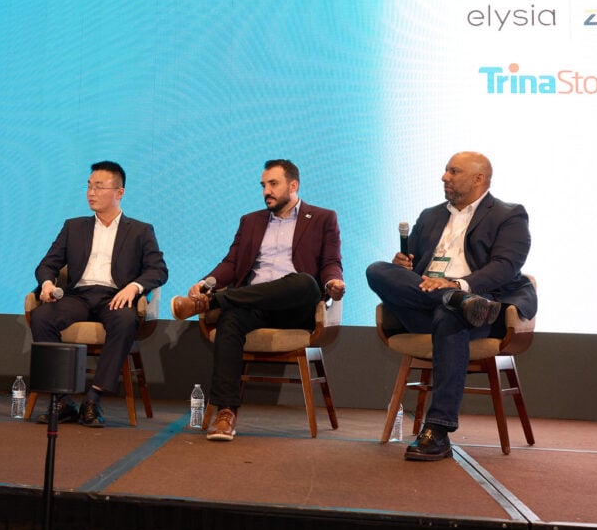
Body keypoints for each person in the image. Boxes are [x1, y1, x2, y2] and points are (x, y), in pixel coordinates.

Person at [365, 151, 537, 461]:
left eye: (453, 171)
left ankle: (438, 429)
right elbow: (410, 271)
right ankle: (453, 300)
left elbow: (505, 266)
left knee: (451, 315)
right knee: (377, 270)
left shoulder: (508, 215)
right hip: (425, 303)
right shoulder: (430, 215)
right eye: (445, 171)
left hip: (480, 308)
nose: (444, 177)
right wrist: (403, 266)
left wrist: (458, 285)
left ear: (478, 178)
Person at [171, 159, 345, 442]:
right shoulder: (250, 221)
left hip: (294, 305)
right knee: (230, 318)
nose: (267, 191)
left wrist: (333, 282)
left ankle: (215, 302)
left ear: (293, 185)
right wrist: (205, 284)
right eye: (263, 185)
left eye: (273, 184)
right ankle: (226, 412)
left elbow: (330, 261)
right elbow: (231, 262)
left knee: (304, 282)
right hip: (254, 303)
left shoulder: (323, 218)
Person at [29, 161, 168, 428]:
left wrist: (135, 287)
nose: (91, 192)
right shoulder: (73, 227)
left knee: (125, 320)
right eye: (89, 186)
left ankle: (94, 398)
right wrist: (47, 283)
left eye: (99, 187)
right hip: (78, 296)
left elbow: (158, 270)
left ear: (120, 192)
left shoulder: (140, 230)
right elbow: (47, 264)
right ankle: (64, 399)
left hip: (115, 296)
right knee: (42, 317)